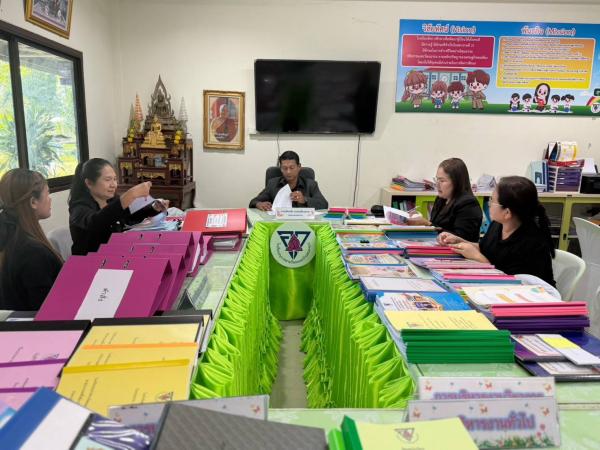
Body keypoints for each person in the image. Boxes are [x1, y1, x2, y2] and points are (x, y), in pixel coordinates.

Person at [438, 176, 555, 286]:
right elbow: (485, 248)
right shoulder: (498, 224)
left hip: (528, 294)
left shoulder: (532, 243)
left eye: (492, 200)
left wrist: (478, 258)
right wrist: (459, 241)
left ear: (507, 213)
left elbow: (511, 282)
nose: (489, 204)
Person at [69, 158, 168, 255]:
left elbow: (129, 217)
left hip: (115, 254)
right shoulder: (79, 207)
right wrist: (130, 195)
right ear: (89, 183)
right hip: (90, 261)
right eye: (108, 180)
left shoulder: (111, 200)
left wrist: (153, 208)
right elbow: (96, 222)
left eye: (115, 179)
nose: (113, 185)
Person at [0, 169, 63, 310]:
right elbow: (45, 310)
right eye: (48, 193)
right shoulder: (33, 252)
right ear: (33, 202)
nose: (50, 199)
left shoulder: (8, 235)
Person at [408, 158, 482, 242]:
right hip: (437, 245)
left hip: (457, 249)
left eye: (442, 181)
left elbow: (460, 239)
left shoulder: (468, 204)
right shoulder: (441, 199)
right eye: (437, 179)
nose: (437, 184)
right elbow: (436, 226)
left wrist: (427, 224)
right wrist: (420, 222)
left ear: (456, 183)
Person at [249, 151, 328, 211]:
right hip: (279, 223)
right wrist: (259, 204)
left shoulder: (311, 184)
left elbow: (324, 204)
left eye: (292, 168)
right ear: (281, 169)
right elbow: (254, 201)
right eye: (285, 168)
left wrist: (305, 200)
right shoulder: (273, 184)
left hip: (304, 223)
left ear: (299, 167)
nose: (288, 172)